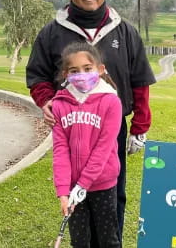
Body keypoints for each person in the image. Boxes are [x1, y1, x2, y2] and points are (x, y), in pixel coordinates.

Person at [26, 0, 156, 242]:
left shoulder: (125, 31)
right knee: (77, 194)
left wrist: (140, 126)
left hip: (112, 126)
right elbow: (37, 76)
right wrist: (46, 101)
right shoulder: (51, 33)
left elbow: (140, 80)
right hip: (72, 126)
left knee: (113, 191)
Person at [52, 42, 122, 247]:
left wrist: (83, 185)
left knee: (108, 239)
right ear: (66, 74)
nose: (81, 74)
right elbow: (60, 150)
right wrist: (64, 192)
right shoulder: (59, 104)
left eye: (87, 69)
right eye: (74, 71)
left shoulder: (111, 102)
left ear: (100, 70)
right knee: (80, 241)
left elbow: (104, 148)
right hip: (73, 188)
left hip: (103, 184)